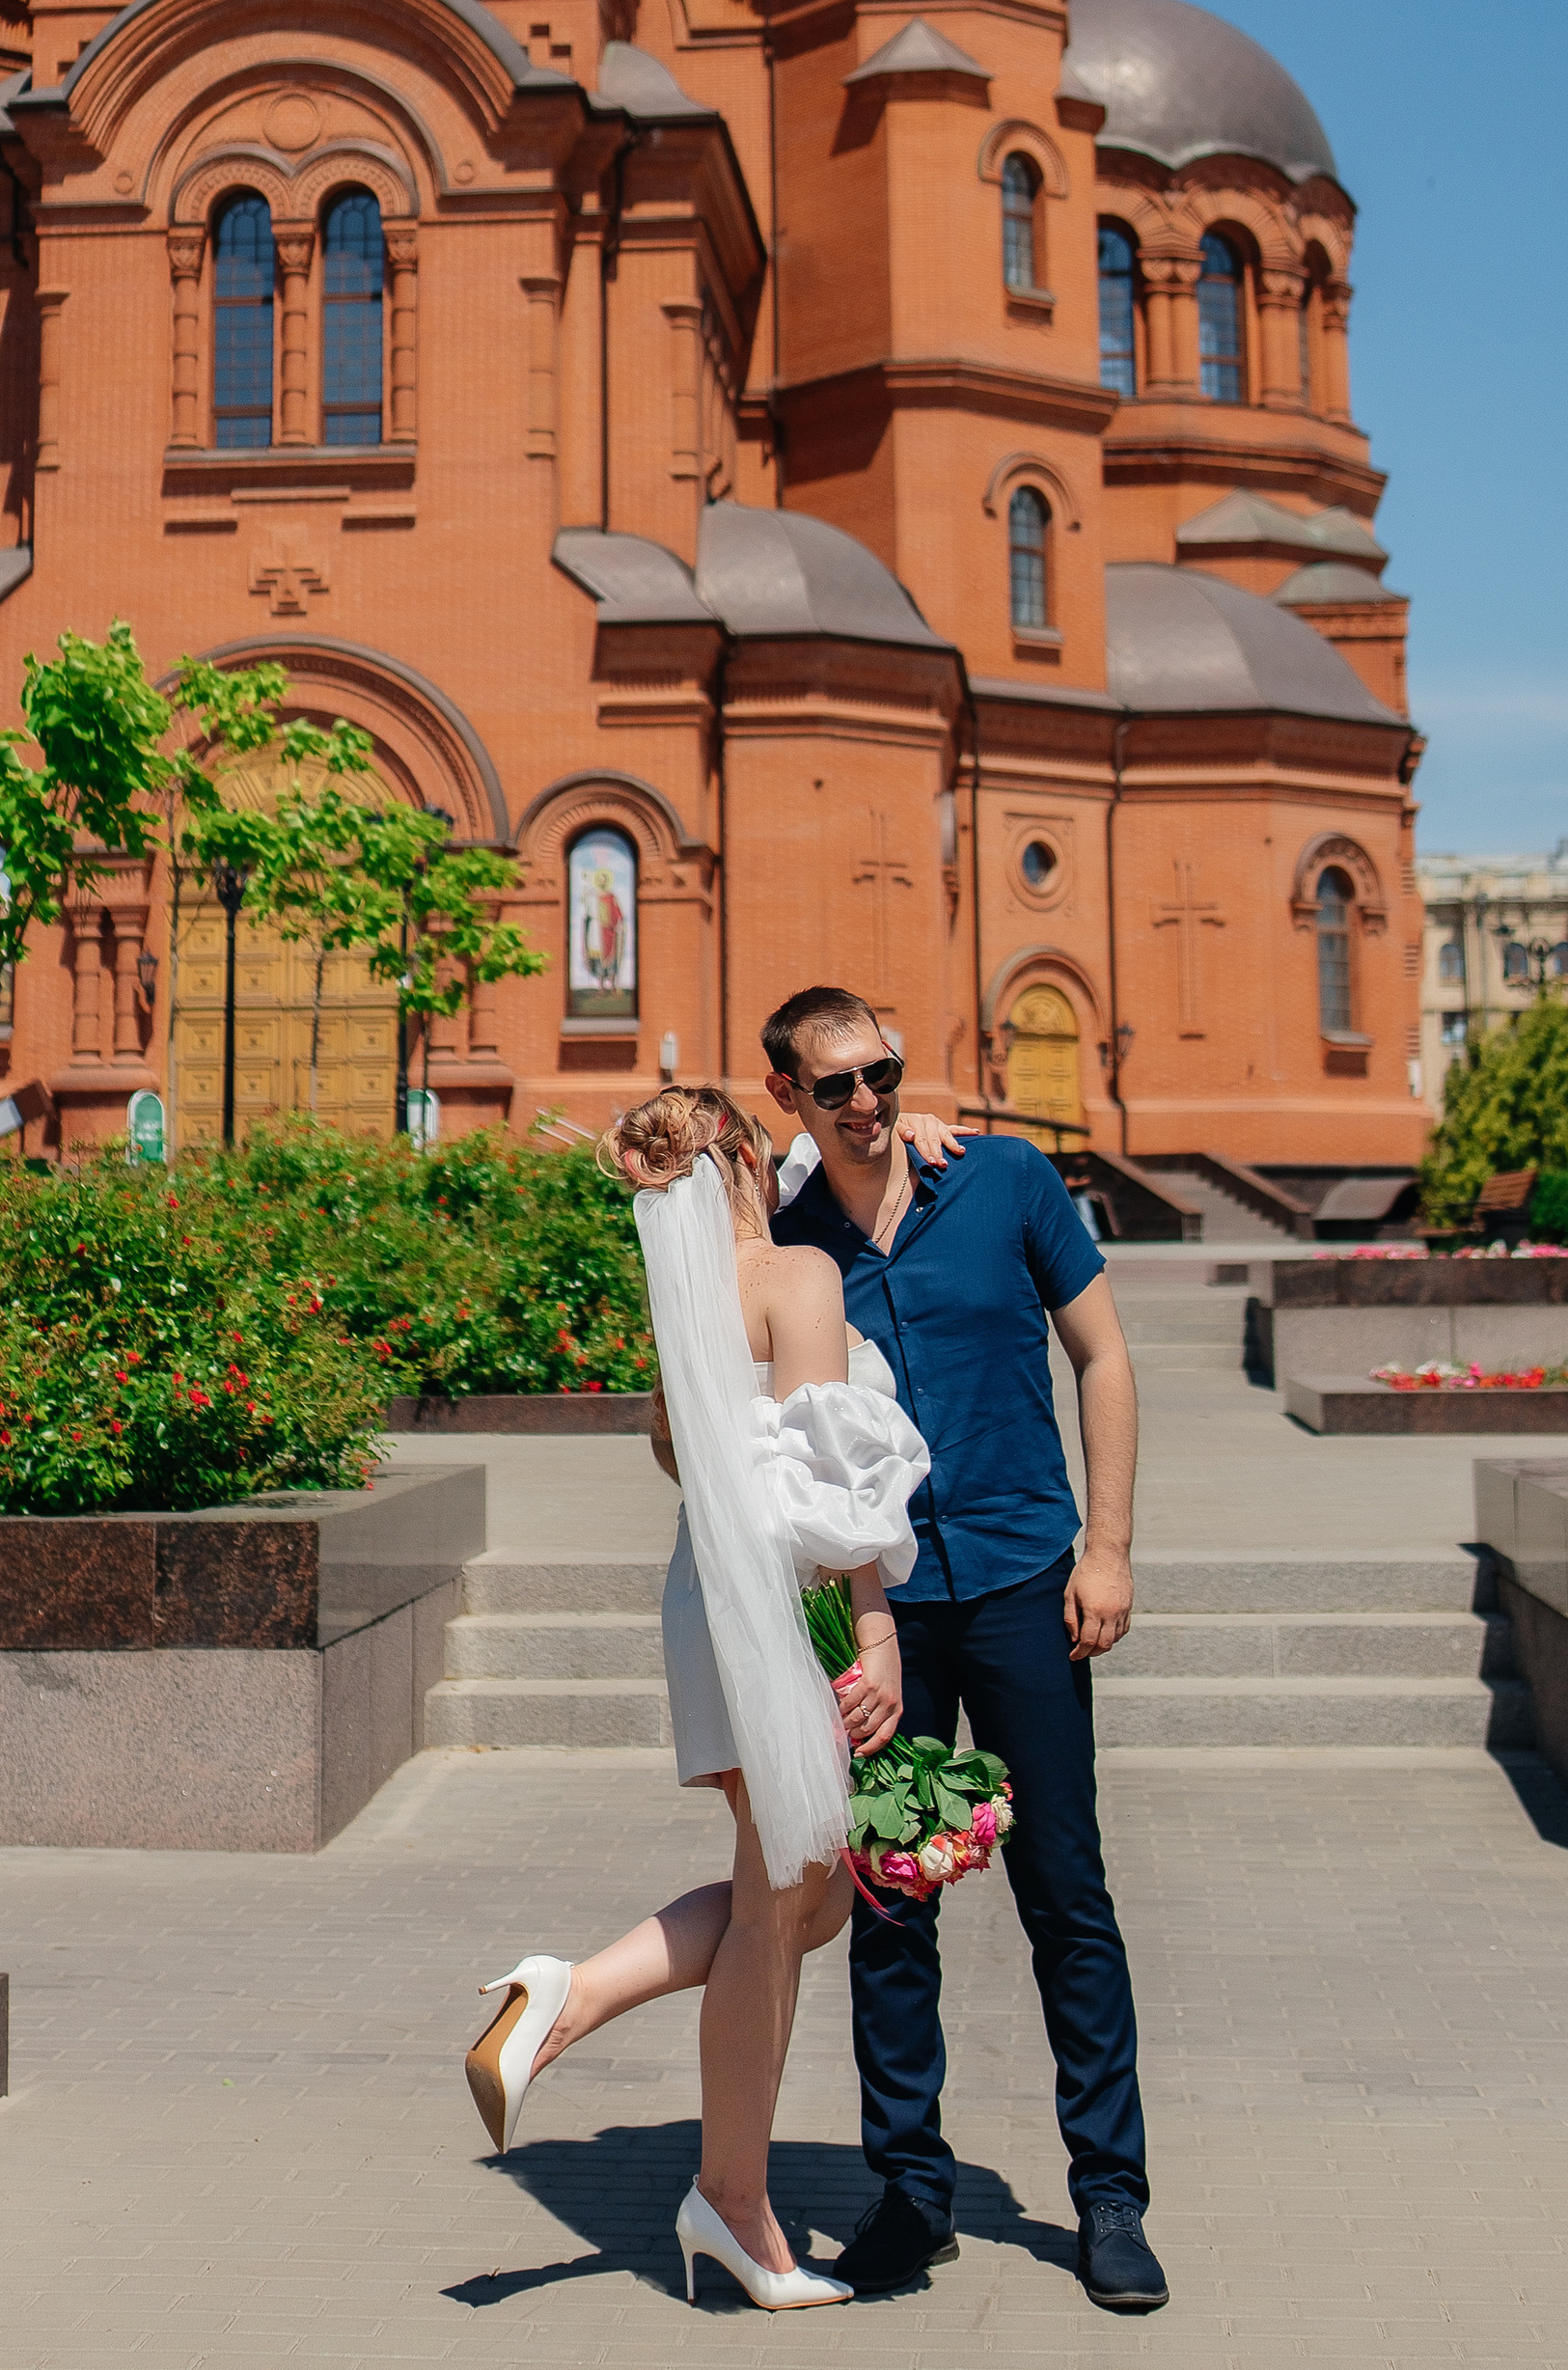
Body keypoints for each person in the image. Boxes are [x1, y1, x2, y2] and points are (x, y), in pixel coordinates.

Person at [464, 1084, 930, 2313]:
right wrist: (869, 1638)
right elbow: (828, 1489)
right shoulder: (796, 1279)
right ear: (740, 1157)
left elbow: (691, 1456)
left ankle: (581, 1995)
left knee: (802, 1903)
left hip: (705, 1596)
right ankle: (732, 2206)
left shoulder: (682, 1304)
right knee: (783, 1912)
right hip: (786, 1603)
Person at [763, 984, 1167, 2319]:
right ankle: (912, 2193)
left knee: (1067, 1893)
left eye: (883, 1072)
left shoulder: (999, 1181)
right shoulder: (787, 1234)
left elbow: (1101, 1357)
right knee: (891, 1898)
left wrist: (1105, 1546)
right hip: (880, 1611)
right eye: (839, 1087)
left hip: (1023, 1583)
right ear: (794, 1102)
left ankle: (1109, 2198)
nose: (872, 1102)